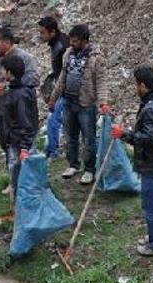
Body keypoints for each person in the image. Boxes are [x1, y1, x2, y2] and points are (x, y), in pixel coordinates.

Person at [111, 66, 153, 256]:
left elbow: (150, 138)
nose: (135, 88)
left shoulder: (151, 108)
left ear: (142, 85)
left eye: (136, 84)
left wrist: (125, 134)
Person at [48, 24, 110, 185]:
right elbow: (62, 77)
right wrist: (54, 98)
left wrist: (103, 102)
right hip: (68, 102)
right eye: (71, 40)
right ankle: (73, 164)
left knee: (89, 139)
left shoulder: (96, 58)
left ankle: (89, 169)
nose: (71, 44)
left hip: (85, 105)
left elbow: (102, 81)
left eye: (75, 41)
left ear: (84, 41)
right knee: (70, 136)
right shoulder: (68, 54)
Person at [0, 26, 40, 195]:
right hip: (3, 111)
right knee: (7, 146)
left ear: (7, 42)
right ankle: (13, 180)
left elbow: (35, 78)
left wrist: (11, 85)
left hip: (22, 112)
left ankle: (31, 182)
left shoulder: (25, 58)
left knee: (26, 145)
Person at [1, 54, 39, 202]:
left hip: (21, 142)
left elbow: (26, 123)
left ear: (10, 73)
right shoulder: (15, 91)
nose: (2, 73)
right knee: (17, 174)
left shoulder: (20, 95)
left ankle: (25, 207)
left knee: (23, 176)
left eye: (4, 70)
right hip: (15, 140)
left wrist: (24, 147)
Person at [37, 16, 70, 159]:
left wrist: (55, 94)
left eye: (43, 33)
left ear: (53, 32)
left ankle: (53, 152)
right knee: (61, 119)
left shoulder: (61, 47)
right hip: (63, 87)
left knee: (53, 120)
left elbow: (65, 72)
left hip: (65, 89)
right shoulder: (58, 42)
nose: (41, 36)